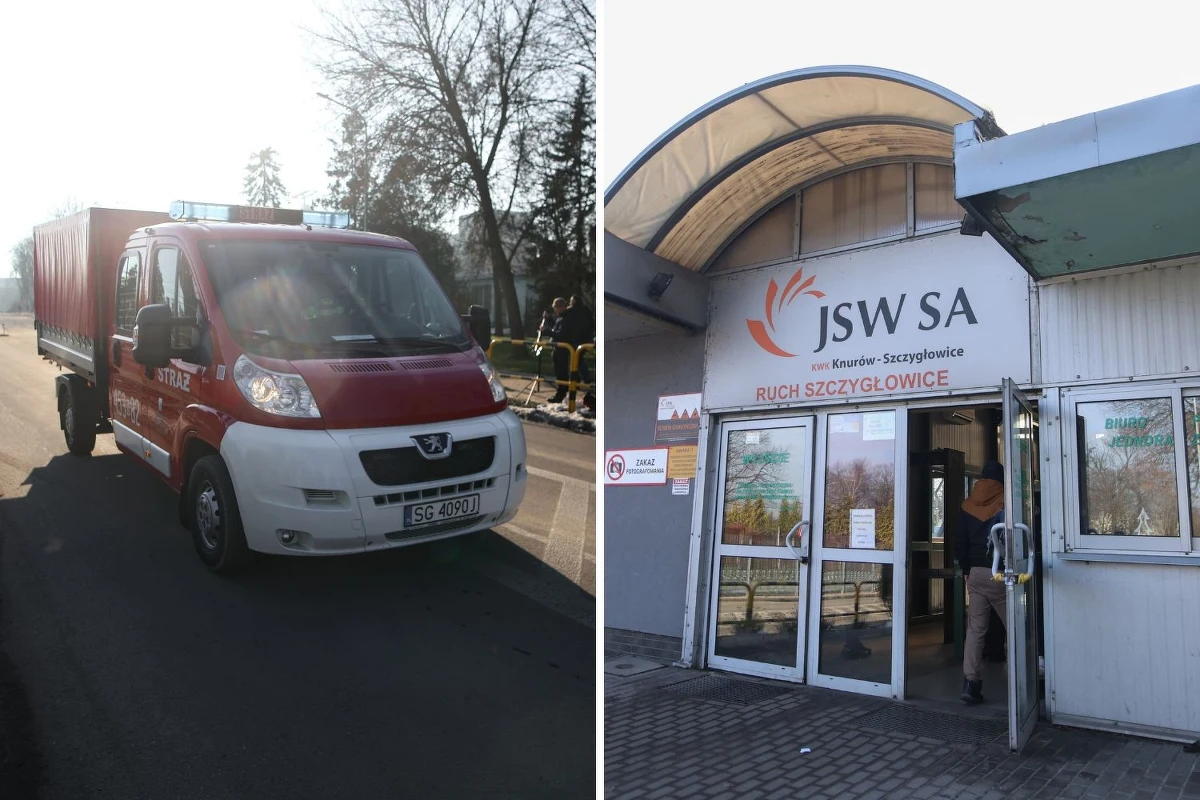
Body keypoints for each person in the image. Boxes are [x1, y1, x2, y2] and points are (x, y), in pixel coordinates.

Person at [955, 459, 1007, 705]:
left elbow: (960, 542)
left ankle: (971, 683)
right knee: (1016, 628)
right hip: (1000, 573)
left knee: (975, 630)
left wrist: (967, 569)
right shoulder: (1006, 502)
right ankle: (1025, 681)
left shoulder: (967, 504)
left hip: (975, 573)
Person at [550, 296, 594, 405]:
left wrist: (548, 332)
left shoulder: (569, 315)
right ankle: (579, 383)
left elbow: (563, 333)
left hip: (569, 346)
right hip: (576, 343)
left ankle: (582, 384)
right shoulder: (579, 313)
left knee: (571, 366)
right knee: (577, 364)